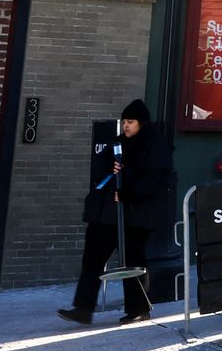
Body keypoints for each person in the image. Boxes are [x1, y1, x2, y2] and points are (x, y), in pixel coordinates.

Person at [60, 98, 175, 327]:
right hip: (107, 215)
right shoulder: (117, 144)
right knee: (92, 258)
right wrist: (111, 169)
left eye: (131, 122)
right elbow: (99, 168)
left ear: (141, 123)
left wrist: (128, 191)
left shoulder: (154, 146)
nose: (126, 126)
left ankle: (138, 309)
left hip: (135, 216)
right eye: (125, 122)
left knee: (133, 261)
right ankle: (83, 308)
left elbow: (154, 180)